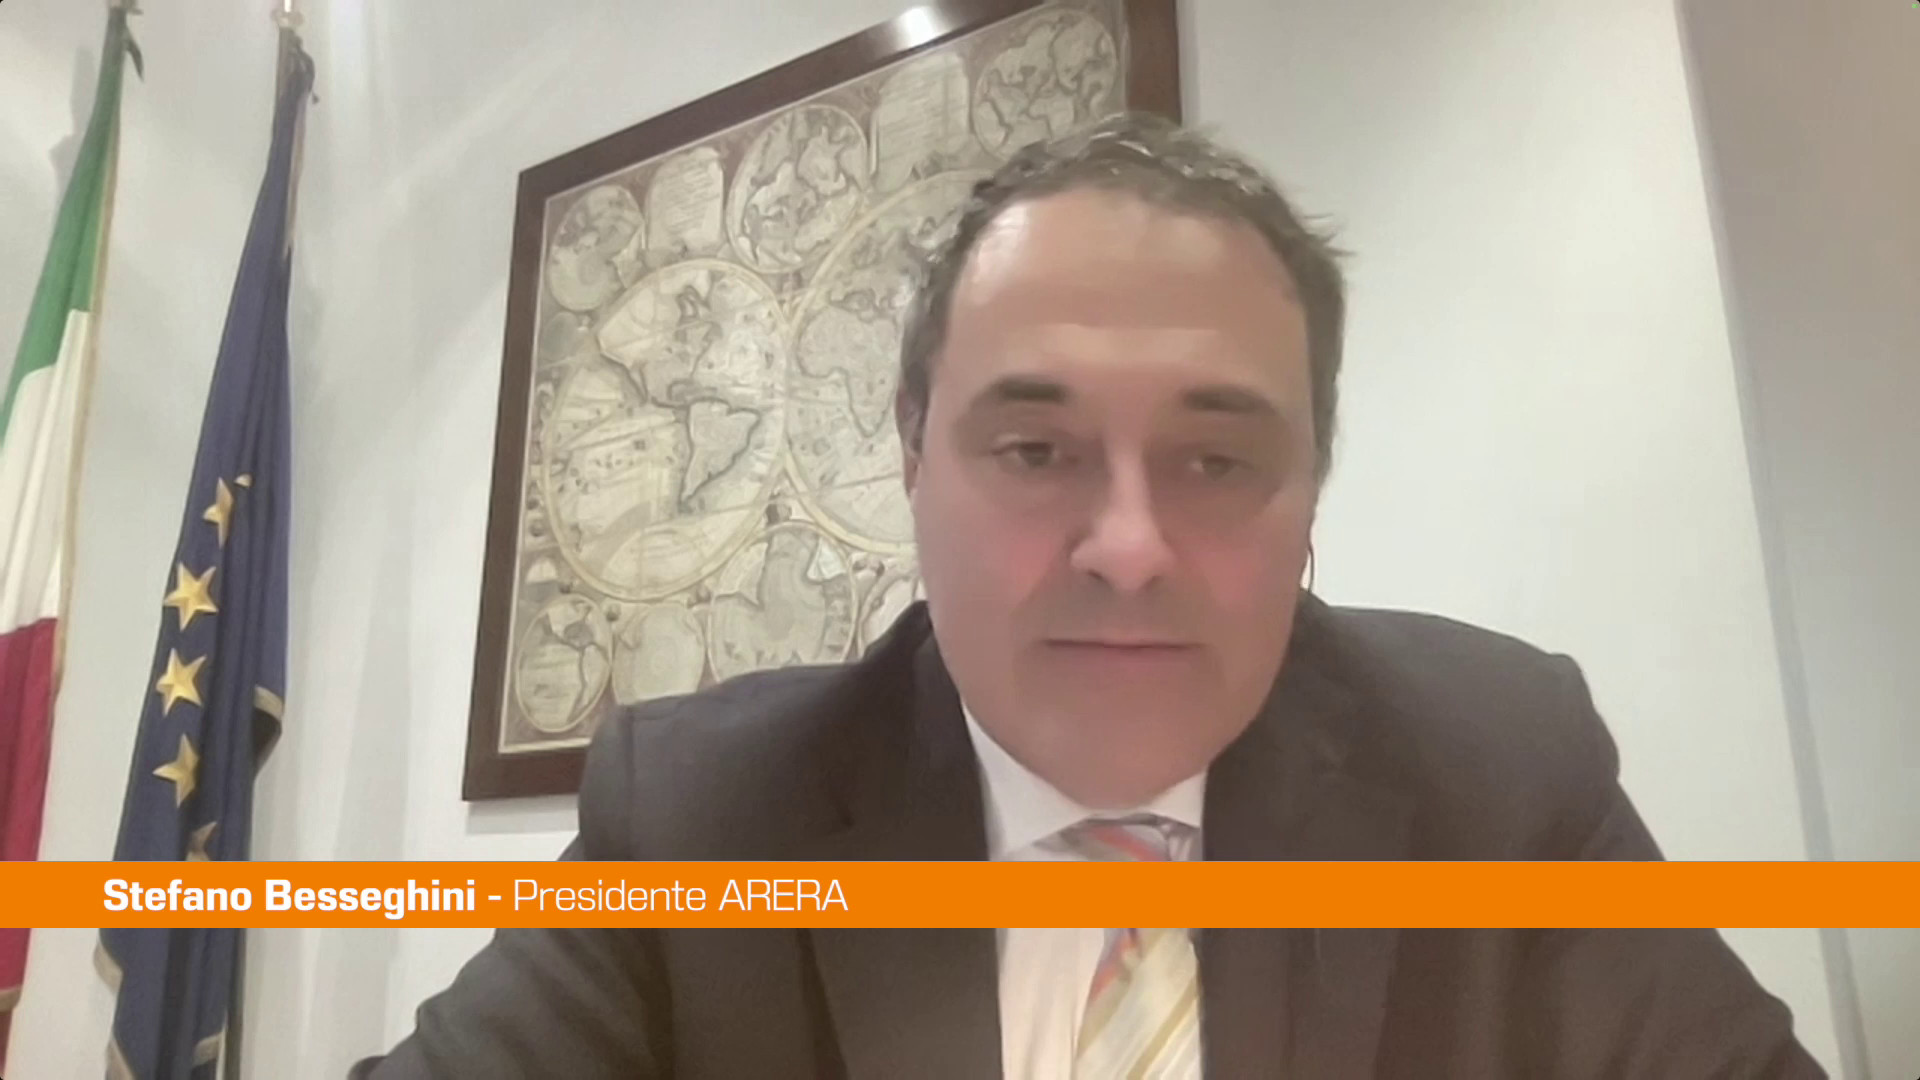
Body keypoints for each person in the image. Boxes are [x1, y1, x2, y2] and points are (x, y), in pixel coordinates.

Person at [362, 113, 1823, 1079]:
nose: (1127, 546)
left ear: (1313, 491)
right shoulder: (702, 818)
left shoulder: (1499, 766)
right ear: (910, 456)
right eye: (1035, 450)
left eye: (1216, 459)